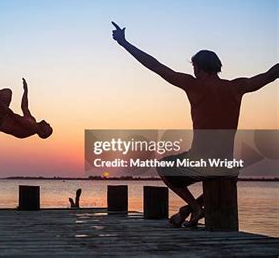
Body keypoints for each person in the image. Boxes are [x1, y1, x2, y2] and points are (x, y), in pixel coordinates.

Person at [111, 21, 278, 227]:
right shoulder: (237, 87)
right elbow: (270, 75)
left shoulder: (193, 84)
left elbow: (156, 66)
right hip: (227, 167)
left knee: (163, 166)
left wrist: (124, 43)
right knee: (221, 177)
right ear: (217, 67)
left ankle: (194, 207)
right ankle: (187, 211)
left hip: (199, 162)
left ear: (197, 67)